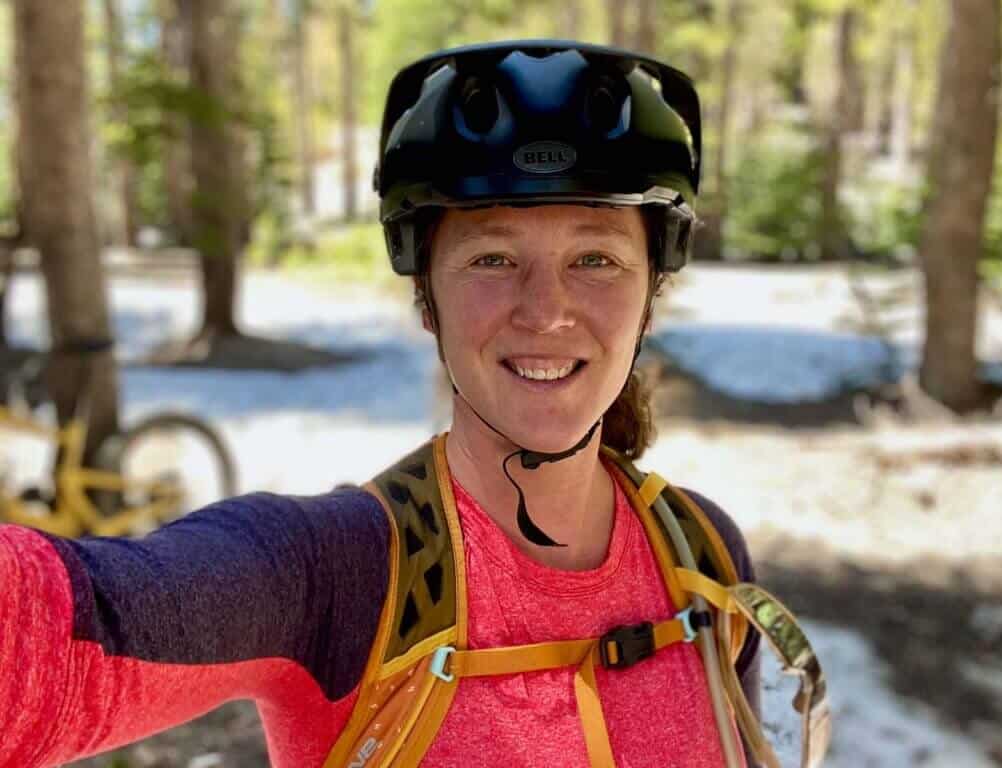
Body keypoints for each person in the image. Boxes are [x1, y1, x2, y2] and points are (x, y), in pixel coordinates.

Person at [0, 41, 778, 768]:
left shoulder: (701, 557)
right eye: (493, 257)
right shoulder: (332, 577)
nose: (546, 311)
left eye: (596, 258)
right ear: (426, 296)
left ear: (651, 294)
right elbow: (71, 631)